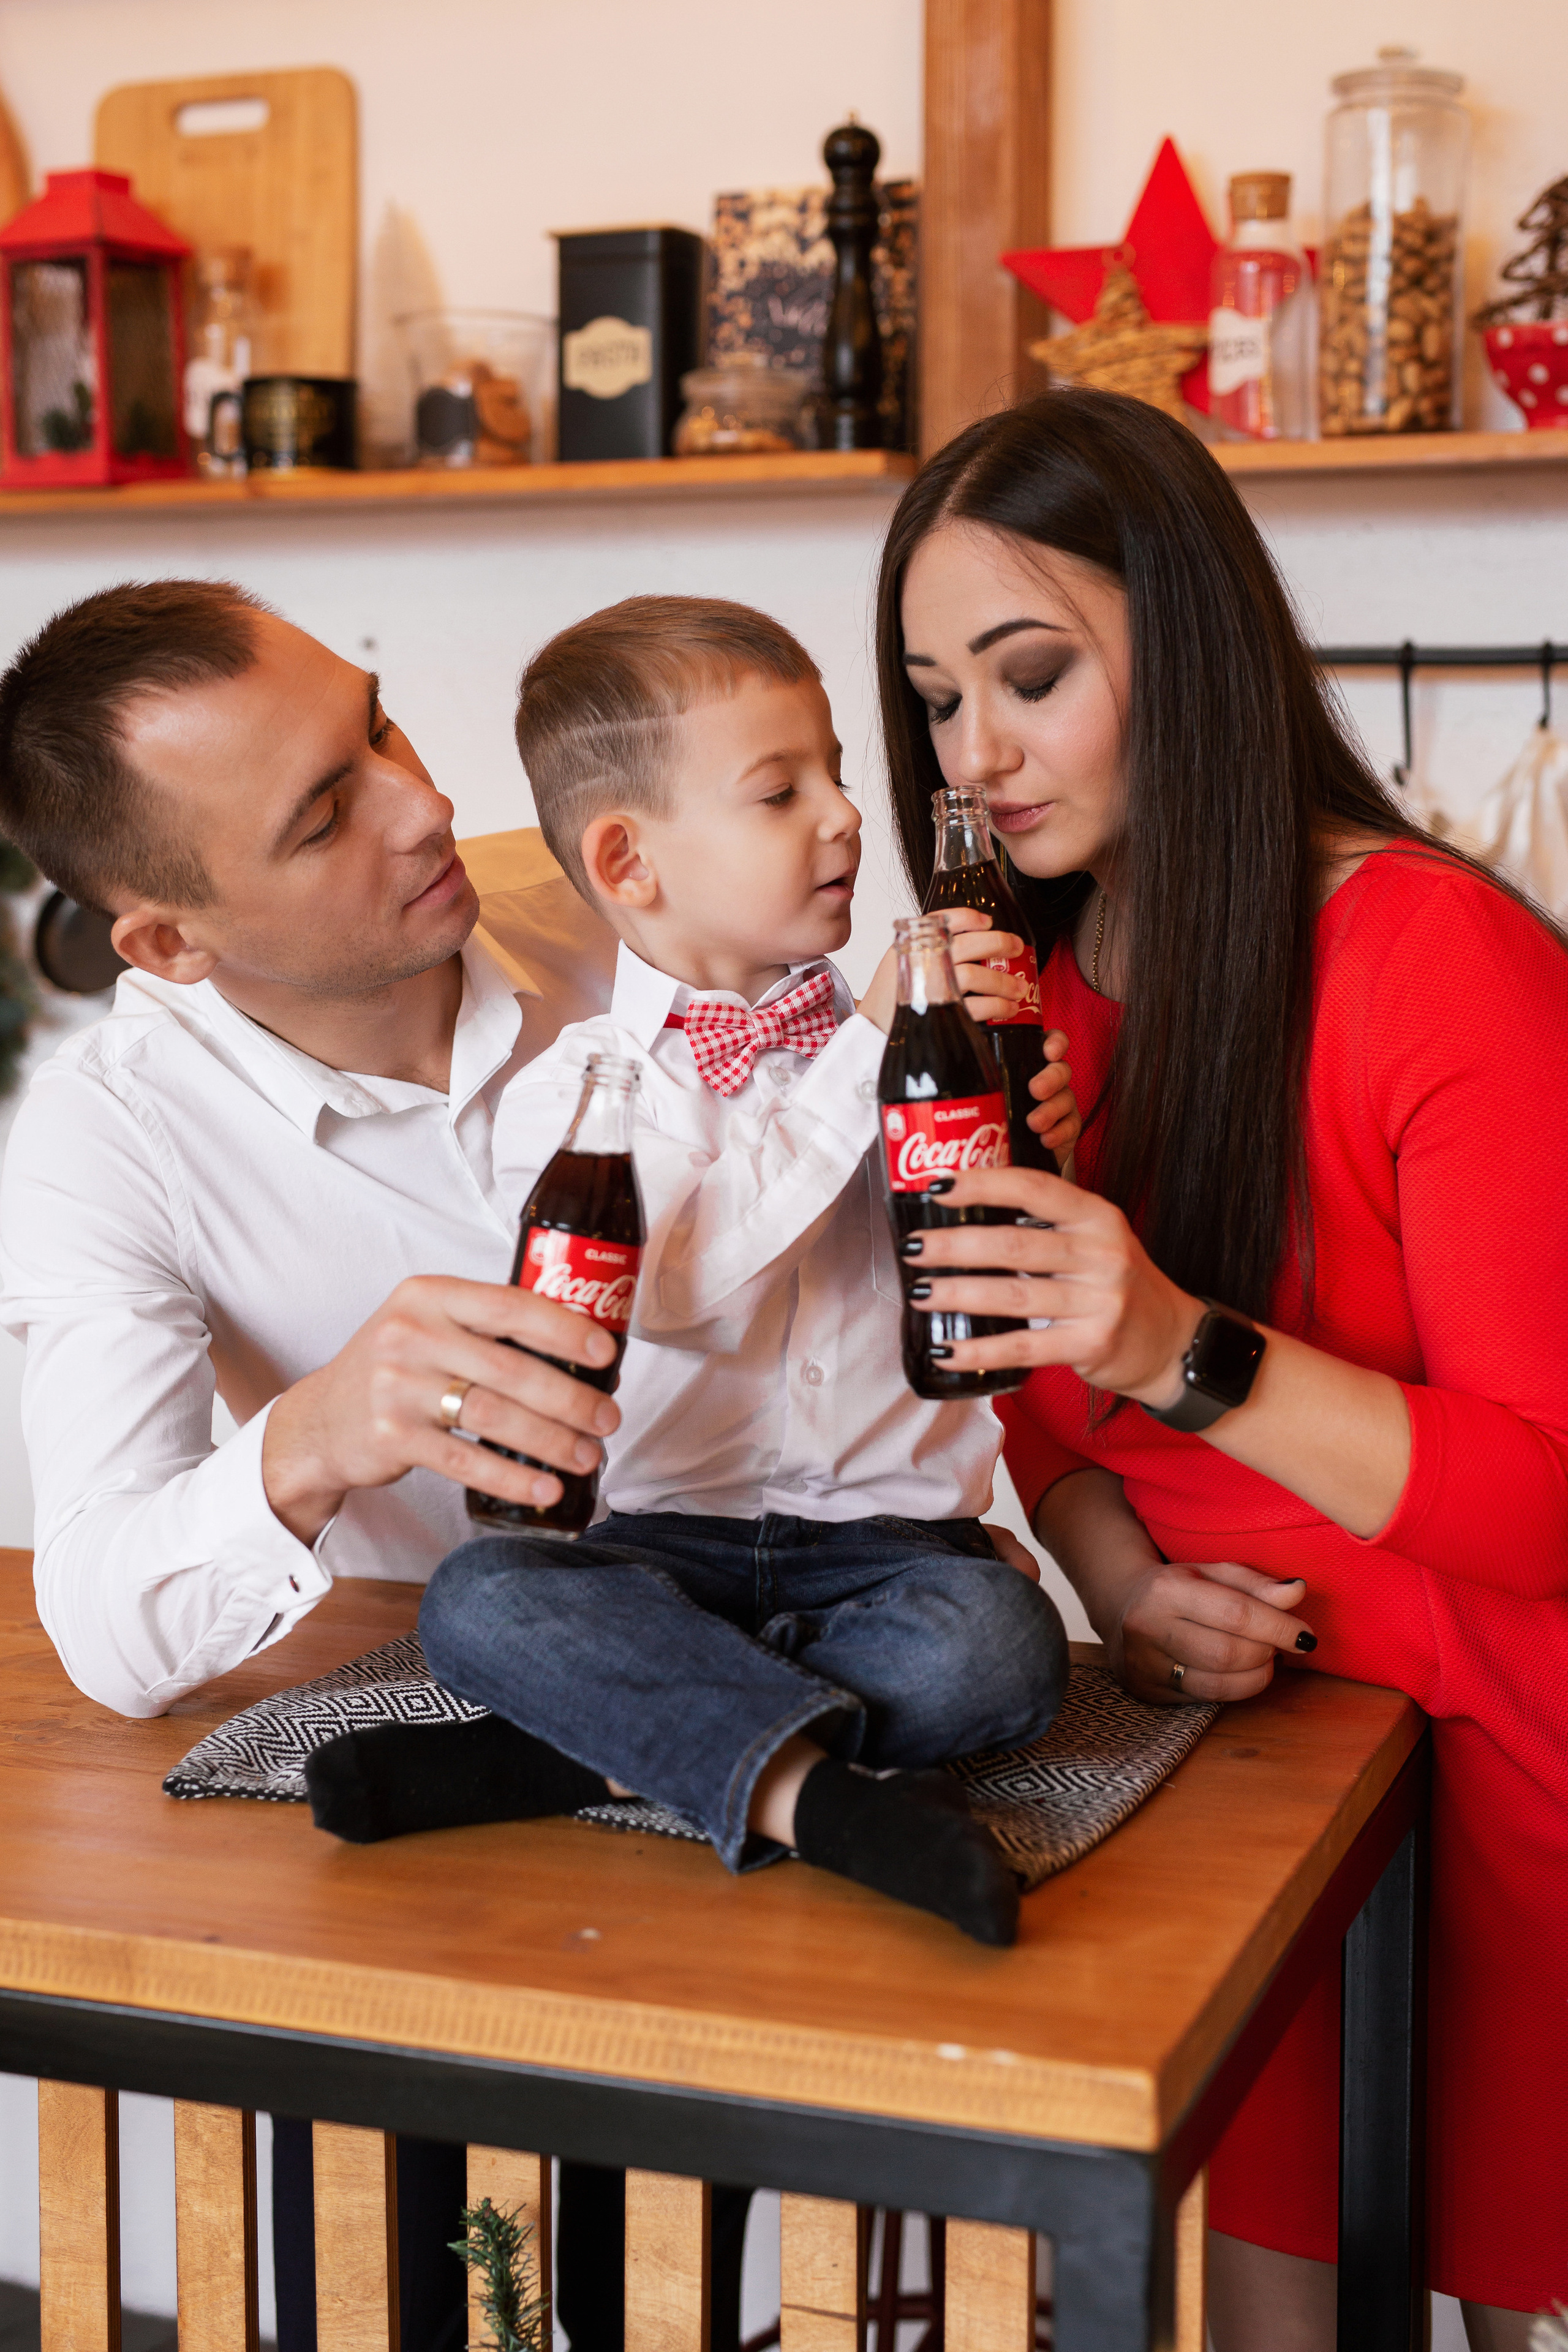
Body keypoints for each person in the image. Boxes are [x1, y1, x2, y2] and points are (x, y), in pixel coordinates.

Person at [870, 388, 1568, 2348]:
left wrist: (1182, 1343)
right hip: (1215, 1768)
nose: (978, 754)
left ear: (1187, 640)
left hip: (1479, 1774)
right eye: (934, 701)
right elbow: (1025, 1387)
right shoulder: (1040, 988)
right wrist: (1118, 1582)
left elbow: (1542, 1503)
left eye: (1031, 675)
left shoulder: (1437, 959)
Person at [0, 578, 627, 2351]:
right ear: (173, 944)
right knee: (402, 2295)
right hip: (438, 1798)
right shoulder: (109, 1140)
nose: (426, 805)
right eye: (323, 813)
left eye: (378, 729)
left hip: (772, 1693)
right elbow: (108, 1629)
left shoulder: (612, 907)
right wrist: (321, 1433)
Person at [317, 594, 1079, 1948]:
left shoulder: (898, 1044)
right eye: (779, 792)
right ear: (631, 862)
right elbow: (683, 1284)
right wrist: (870, 1052)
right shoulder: (569, 1096)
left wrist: (1036, 1147)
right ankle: (831, 1804)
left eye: (838, 772)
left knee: (996, 1648)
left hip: (883, 1554)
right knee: (479, 1599)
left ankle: (579, 1756)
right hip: (655, 1554)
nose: (845, 816)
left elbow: (984, 1278)